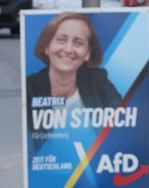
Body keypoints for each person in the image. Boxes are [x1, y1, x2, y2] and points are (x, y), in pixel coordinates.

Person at [26, 12, 122, 147]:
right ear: (46, 46)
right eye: (61, 40)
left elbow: (123, 124)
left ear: (87, 53)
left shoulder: (98, 81)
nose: (68, 49)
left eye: (78, 43)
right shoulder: (30, 87)